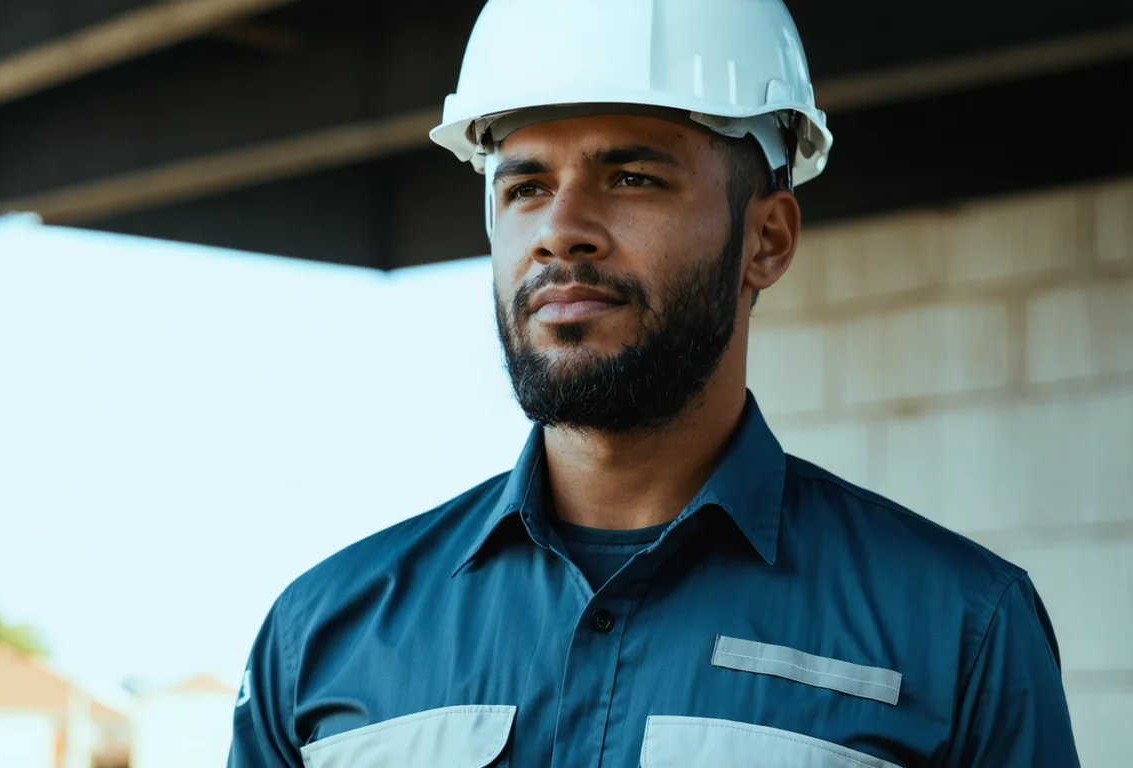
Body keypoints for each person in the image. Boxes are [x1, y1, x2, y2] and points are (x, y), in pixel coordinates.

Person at [228, 1, 1080, 765]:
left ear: (768, 240)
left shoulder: (962, 631)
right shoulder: (320, 638)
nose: (561, 233)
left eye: (632, 178)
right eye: (525, 186)